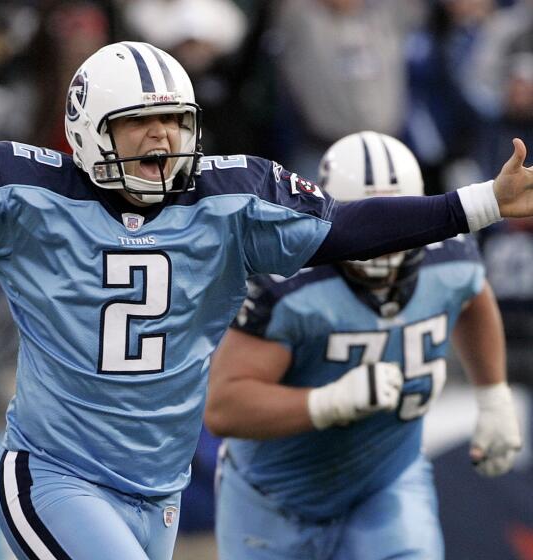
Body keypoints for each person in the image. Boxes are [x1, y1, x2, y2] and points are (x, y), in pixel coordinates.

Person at [0, 41, 532, 559]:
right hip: (56, 472)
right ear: (91, 126)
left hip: (159, 487)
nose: (161, 138)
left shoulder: (231, 200)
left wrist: (483, 203)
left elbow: (350, 229)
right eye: (139, 123)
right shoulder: (22, 194)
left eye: (172, 121)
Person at [204, 131, 523, 560]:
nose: (382, 244)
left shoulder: (449, 257)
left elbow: (473, 295)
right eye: (369, 224)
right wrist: (329, 403)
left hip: (386, 483)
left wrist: (493, 395)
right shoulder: (290, 285)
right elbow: (224, 406)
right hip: (275, 498)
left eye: (397, 222)